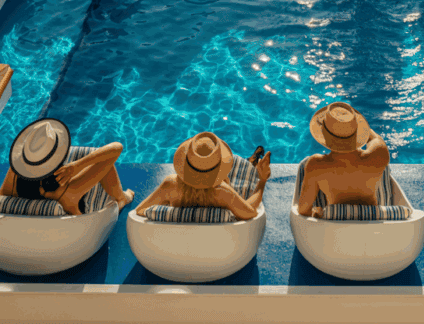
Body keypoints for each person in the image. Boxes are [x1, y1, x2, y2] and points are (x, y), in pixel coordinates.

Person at [0, 118, 134, 216]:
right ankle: (122, 198)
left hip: (30, 227)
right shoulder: (67, 191)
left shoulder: (13, 177)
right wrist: (77, 166)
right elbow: (117, 148)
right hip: (76, 223)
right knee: (105, 163)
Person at [136, 132, 271, 221]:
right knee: (237, 171)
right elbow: (250, 212)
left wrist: (168, 209)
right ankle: (251, 162)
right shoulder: (222, 192)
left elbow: (141, 210)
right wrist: (262, 180)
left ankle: (251, 161)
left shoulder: (171, 185)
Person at [297, 102, 389, 219]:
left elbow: (303, 209)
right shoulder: (379, 155)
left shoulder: (316, 165)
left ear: (324, 135)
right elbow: (375, 138)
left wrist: (317, 213)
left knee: (303, 165)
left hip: (336, 224)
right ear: (357, 132)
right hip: (373, 222)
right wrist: (353, 126)